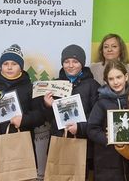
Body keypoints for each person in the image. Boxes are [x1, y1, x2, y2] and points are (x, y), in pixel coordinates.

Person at [0, 44, 45, 181]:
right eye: (5, 63)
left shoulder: (31, 88)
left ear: (21, 67)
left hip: (20, 145)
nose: (9, 67)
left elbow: (40, 115)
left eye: (14, 63)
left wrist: (24, 120)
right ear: (1, 66)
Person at [42, 44, 100, 177]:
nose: (70, 65)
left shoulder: (92, 85)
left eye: (75, 61)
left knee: (79, 176)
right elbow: (46, 118)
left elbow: (96, 115)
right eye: (66, 61)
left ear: (82, 63)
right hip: (58, 139)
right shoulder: (55, 85)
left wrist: (80, 128)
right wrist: (47, 105)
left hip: (81, 141)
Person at [87, 60, 129, 181]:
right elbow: (91, 129)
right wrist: (109, 138)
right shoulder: (102, 103)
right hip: (107, 160)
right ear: (106, 81)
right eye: (111, 79)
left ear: (126, 77)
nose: (116, 82)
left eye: (119, 77)